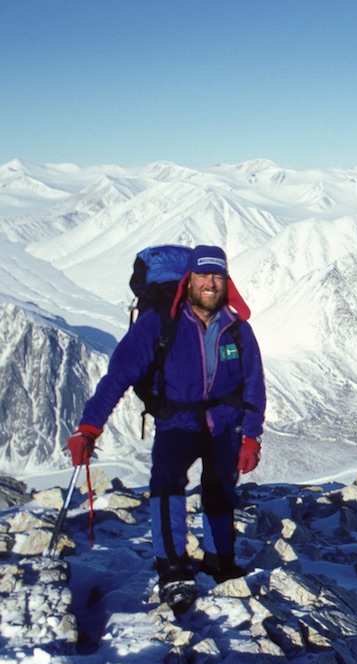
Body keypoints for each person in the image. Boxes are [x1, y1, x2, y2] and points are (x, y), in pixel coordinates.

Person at [66, 245, 266, 609]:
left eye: (218, 277)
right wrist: (89, 427)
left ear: (226, 282)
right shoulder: (158, 324)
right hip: (177, 422)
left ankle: (220, 562)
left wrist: (251, 435)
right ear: (188, 281)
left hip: (224, 423)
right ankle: (173, 569)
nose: (211, 284)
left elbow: (254, 386)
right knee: (165, 481)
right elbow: (118, 377)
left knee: (220, 491)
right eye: (203, 276)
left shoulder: (238, 330)